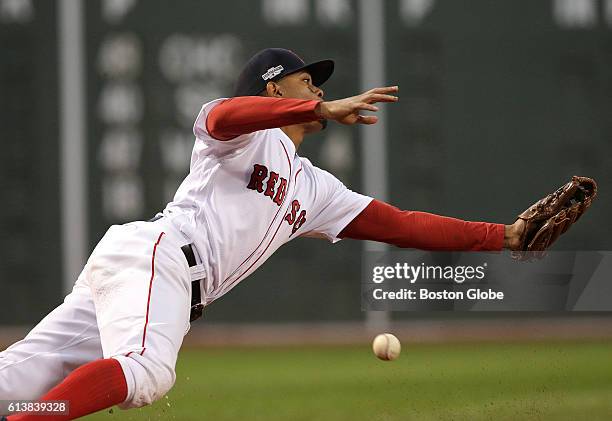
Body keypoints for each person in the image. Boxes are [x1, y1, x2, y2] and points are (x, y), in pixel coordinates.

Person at [0, 48, 525, 420]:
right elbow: (227, 113)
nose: (318, 87)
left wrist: (502, 236)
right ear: (274, 88)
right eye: (305, 79)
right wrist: (316, 109)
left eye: (317, 84)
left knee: (22, 378)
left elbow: (404, 225)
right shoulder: (240, 136)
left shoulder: (316, 189)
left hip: (148, 274)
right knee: (146, 372)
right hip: (161, 257)